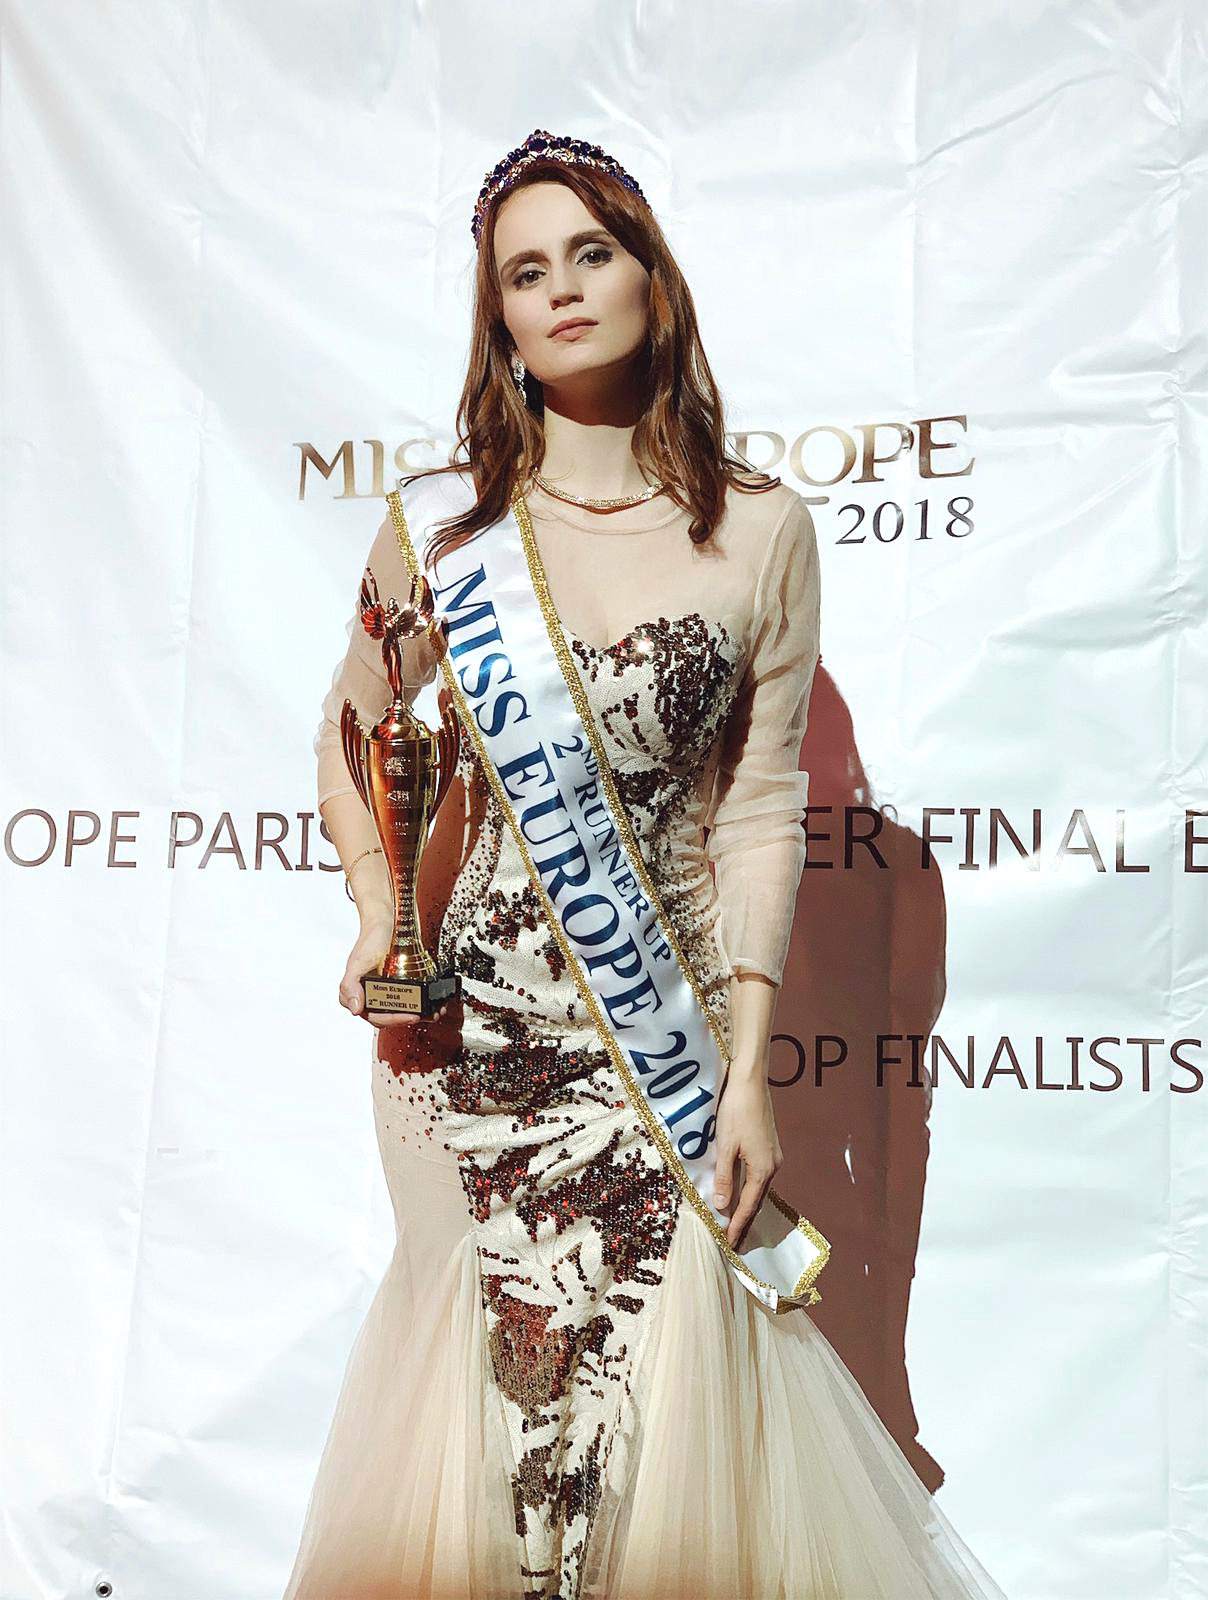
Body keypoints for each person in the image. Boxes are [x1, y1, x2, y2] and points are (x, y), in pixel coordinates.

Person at [282, 129, 1008, 1600]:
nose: (560, 290)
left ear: (649, 280)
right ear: (498, 319)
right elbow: (352, 736)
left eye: (591, 254)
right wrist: (375, 912)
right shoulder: (443, 533)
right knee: (487, 1408)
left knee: (657, 1427)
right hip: (466, 1048)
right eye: (524, 273)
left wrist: (746, 1072)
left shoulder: (761, 530)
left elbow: (758, 813)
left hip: (656, 1053)